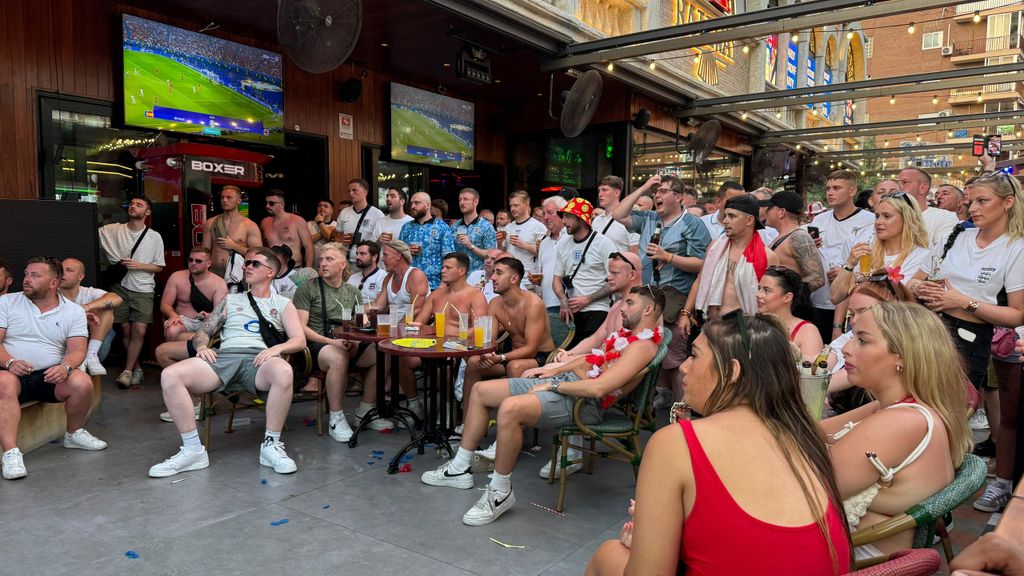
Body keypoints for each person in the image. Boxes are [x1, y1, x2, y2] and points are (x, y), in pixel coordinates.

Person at [586, 313, 851, 575]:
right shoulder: (804, 435)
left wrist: (648, 540)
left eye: (695, 355)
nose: (683, 367)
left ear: (732, 371)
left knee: (608, 554)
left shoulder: (676, 443)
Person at [422, 285, 667, 526]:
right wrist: (550, 369)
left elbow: (598, 388)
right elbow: (592, 359)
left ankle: (500, 492)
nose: (622, 308)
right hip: (568, 383)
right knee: (481, 390)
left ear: (649, 310)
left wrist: (552, 386)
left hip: (584, 403)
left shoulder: (642, 346)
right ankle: (459, 469)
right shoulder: (625, 336)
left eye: (630, 303)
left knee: (510, 408)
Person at [823, 302, 970, 559]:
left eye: (862, 341)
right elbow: (811, 431)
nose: (846, 349)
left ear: (901, 355)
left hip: (854, 556)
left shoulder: (903, 421)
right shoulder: (896, 407)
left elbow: (812, 485)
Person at [149, 247, 305, 478]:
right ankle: (193, 451)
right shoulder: (231, 300)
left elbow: (299, 340)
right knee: (170, 375)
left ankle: (271, 446)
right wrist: (201, 346)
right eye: (246, 263)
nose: (246, 266)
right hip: (225, 357)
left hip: (260, 360)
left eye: (254, 263)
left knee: (283, 370)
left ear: (271, 272)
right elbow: (204, 332)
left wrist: (276, 349)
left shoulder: (283, 303)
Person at [911, 171, 1024, 395]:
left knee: (952, 415)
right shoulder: (955, 237)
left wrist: (963, 302)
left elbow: (1018, 315)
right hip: (927, 330)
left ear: (1008, 202)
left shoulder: (1016, 248)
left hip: (969, 341)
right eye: (971, 202)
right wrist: (919, 287)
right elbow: (913, 281)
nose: (973, 208)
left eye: (983, 201)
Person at [1, 258, 108, 480]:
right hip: (12, 373)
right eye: (27, 274)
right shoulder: (7, 302)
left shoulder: (74, 311)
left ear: (53, 283)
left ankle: (74, 433)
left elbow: (78, 349)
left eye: (35, 276)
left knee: (82, 381)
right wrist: (10, 362)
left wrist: (66, 367)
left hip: (50, 375)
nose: (27, 280)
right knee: (3, 382)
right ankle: (11, 452)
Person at [613, 174, 709, 406]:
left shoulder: (692, 224)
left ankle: (681, 406)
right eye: (655, 192)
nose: (656, 195)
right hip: (649, 293)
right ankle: (663, 393)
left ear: (678, 197)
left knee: (673, 354)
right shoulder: (649, 218)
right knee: (650, 346)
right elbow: (618, 214)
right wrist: (645, 186)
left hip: (675, 295)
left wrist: (669, 257)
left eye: (662, 191)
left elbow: (703, 264)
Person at [292, 242, 363, 442]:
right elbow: (300, 328)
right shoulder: (308, 288)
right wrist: (331, 342)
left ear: (342, 265)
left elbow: (360, 325)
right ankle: (336, 418)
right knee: (338, 357)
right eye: (321, 260)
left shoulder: (353, 292)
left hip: (346, 342)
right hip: (315, 345)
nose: (323, 263)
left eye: (329, 259)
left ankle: (366, 409)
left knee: (380, 352)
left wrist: (355, 342)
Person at [464, 257, 554, 413]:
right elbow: (489, 340)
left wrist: (500, 358)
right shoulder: (495, 304)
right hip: (509, 355)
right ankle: (467, 422)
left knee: (515, 366)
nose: (492, 277)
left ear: (514, 278)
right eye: (493, 273)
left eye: (498, 273)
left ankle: (511, 424)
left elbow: (532, 348)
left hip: (540, 356)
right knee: (473, 362)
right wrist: (487, 355)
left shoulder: (533, 303)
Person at [98, 195, 166, 389]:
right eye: (132, 204)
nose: (133, 207)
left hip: (143, 288)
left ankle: (128, 370)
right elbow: (95, 230)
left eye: (139, 205)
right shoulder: (115, 230)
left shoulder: (154, 237)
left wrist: (139, 265)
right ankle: (133, 369)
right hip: (120, 286)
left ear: (147, 212)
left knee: (139, 329)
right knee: (125, 329)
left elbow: (159, 267)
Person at [406, 252, 488, 406]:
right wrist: (415, 328)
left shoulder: (475, 296)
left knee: (440, 364)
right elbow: (420, 323)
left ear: (462, 271)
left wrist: (451, 341)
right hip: (434, 346)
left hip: (462, 348)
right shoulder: (437, 294)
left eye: (447, 267)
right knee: (403, 358)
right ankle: (414, 404)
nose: (442, 270)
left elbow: (480, 328)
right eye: (442, 267)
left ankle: (449, 406)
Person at [829, 192, 930, 311]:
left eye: (886, 216)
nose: (878, 222)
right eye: (877, 216)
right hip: (860, 323)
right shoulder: (866, 252)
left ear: (907, 219)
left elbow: (898, 300)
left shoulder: (921, 256)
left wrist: (856, 284)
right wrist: (849, 264)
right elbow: (835, 297)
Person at [686, 195, 779, 324]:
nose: (725, 221)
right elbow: (701, 279)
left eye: (732, 216)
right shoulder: (715, 247)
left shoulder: (767, 256)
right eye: (725, 216)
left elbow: (774, 298)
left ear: (749, 220)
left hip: (745, 329)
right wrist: (686, 313)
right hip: (710, 323)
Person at [809, 170, 876, 342]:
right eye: (828, 188)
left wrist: (846, 272)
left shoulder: (870, 220)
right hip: (818, 297)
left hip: (851, 301)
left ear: (852, 190)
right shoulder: (819, 220)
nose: (830, 193)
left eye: (836, 188)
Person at [370, 240, 430, 422]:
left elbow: (416, 310)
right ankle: (377, 403)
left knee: (397, 354)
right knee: (379, 351)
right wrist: (355, 309)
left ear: (398, 256)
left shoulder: (415, 275)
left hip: (413, 331)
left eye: (386, 255)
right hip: (393, 333)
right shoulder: (389, 278)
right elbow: (379, 306)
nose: (382, 260)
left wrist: (395, 331)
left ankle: (413, 404)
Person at [552, 198, 615, 349]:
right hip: (571, 313)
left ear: (581, 218)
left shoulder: (603, 243)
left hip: (597, 310)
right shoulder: (563, 244)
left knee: (587, 358)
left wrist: (587, 299)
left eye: (568, 216)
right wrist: (563, 300)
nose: (564, 221)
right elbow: (556, 279)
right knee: (565, 355)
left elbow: (615, 281)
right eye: (563, 216)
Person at [58, 258, 123, 376]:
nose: (63, 274)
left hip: (94, 347)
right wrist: (79, 314)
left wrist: (87, 307)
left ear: (80, 276)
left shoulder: (88, 292)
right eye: (61, 270)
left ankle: (90, 356)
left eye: (69, 270)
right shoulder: (51, 295)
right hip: (62, 349)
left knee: (106, 307)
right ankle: (79, 359)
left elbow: (117, 299)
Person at [159, 247, 228, 342]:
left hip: (207, 322)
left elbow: (219, 312)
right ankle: (173, 355)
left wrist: (209, 315)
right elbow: (165, 305)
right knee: (172, 330)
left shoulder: (219, 283)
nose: (193, 263)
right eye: (190, 260)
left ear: (208, 263)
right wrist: (173, 315)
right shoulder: (176, 277)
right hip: (183, 320)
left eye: (198, 261)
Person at [756, 266, 823, 361]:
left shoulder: (807, 331)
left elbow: (813, 372)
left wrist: (797, 355)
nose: (758, 294)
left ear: (787, 297)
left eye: (766, 290)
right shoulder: (752, 323)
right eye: (759, 288)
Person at [765, 191, 825, 296]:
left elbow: (817, 278)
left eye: (769, 208)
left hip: (791, 309)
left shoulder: (799, 237)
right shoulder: (782, 236)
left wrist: (786, 295)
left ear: (781, 212)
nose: (766, 212)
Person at [203, 185, 262, 283]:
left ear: (239, 200)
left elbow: (258, 255)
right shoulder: (211, 223)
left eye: (229, 197)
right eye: (222, 197)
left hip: (239, 277)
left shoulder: (250, 225)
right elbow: (205, 251)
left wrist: (234, 246)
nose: (224, 200)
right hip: (214, 274)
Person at [399, 192, 455, 291]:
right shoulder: (406, 227)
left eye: (417, 203)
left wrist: (443, 284)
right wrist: (406, 250)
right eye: (411, 203)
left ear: (428, 205)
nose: (412, 206)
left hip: (434, 285)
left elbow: (449, 258)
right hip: (408, 284)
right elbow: (398, 255)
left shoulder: (442, 227)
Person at [898, 167, 958, 247]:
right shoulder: (885, 217)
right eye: (898, 183)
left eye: (905, 182)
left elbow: (941, 254)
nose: (898, 187)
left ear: (923, 188)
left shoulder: (945, 217)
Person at [260, 189, 315, 269]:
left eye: (271, 203)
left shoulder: (297, 221)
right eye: (266, 203)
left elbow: (308, 247)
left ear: (282, 205)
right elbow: (264, 248)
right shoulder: (264, 223)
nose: (267, 206)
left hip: (295, 268)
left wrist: (308, 270)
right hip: (273, 270)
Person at [335, 178, 384, 265]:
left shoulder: (377, 214)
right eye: (349, 191)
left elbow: (380, 242)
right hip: (345, 262)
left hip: (367, 263)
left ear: (365, 192)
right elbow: (337, 238)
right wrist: (341, 240)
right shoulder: (344, 212)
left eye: (354, 190)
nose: (351, 193)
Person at [451, 187, 496, 274]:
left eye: (466, 199)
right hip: (457, 276)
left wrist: (471, 246)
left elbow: (491, 254)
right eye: (460, 200)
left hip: (477, 277)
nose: (462, 202)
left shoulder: (486, 226)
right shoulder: (454, 227)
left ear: (476, 202)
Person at [504, 191, 547, 278]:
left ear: (526, 204)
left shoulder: (539, 227)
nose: (512, 209)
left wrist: (524, 245)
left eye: (516, 205)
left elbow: (545, 254)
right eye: (511, 206)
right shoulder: (508, 227)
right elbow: (503, 251)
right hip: (508, 278)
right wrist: (499, 242)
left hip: (528, 279)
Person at [537, 196, 568, 312]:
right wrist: (537, 279)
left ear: (562, 214)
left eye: (550, 213)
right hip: (547, 303)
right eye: (544, 214)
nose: (545, 218)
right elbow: (541, 273)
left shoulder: (572, 238)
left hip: (567, 303)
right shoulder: (543, 242)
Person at [591, 176, 636, 253]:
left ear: (616, 193)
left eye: (604, 190)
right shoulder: (596, 220)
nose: (600, 194)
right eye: (599, 190)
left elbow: (635, 255)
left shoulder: (629, 220)